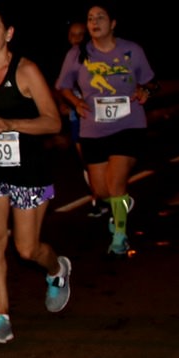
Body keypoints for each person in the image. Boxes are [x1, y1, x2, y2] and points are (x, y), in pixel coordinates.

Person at [0, 8, 72, 346]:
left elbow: (53, 121)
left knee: (27, 249)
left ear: (8, 33)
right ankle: (1, 318)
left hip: (29, 171)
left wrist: (11, 124)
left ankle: (57, 269)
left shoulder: (26, 70)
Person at [54, 2, 158, 256]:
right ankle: (121, 204)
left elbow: (151, 82)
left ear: (112, 24)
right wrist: (76, 102)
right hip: (93, 129)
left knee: (115, 183)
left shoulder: (131, 50)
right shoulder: (78, 54)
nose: (94, 22)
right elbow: (62, 86)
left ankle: (120, 236)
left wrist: (145, 91)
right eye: (91, 18)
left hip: (128, 125)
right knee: (101, 191)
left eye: (100, 17)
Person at [55, 20, 106, 220]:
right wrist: (65, 103)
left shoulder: (97, 54)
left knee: (103, 159)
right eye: (72, 35)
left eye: (80, 35)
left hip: (101, 115)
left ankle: (110, 196)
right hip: (78, 116)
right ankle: (98, 199)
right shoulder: (70, 57)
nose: (76, 39)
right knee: (87, 160)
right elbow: (60, 85)